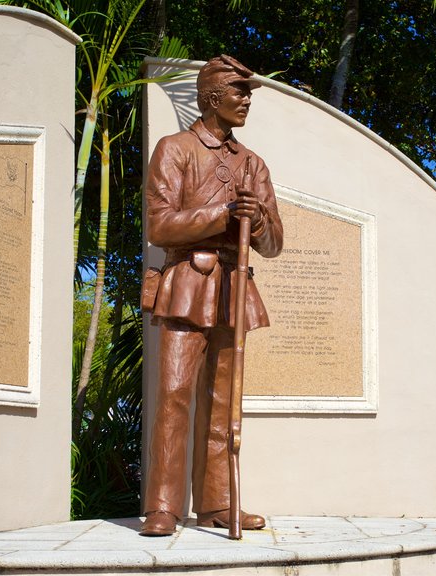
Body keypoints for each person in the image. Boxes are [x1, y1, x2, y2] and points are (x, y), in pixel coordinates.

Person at [140, 55, 284, 537]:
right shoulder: (175, 149)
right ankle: (163, 505)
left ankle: (219, 505)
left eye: (248, 92)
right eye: (238, 90)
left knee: (225, 402)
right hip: (188, 284)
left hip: (234, 287)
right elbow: (160, 226)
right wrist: (223, 214)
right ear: (210, 95)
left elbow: (274, 244)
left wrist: (257, 219)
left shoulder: (254, 163)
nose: (246, 99)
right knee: (175, 395)